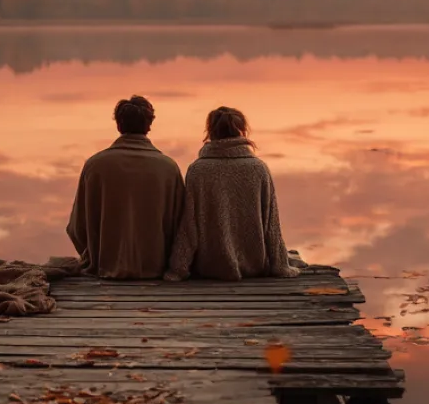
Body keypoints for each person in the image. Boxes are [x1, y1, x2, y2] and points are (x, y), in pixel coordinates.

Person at [164, 106, 299, 281]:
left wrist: (178, 269)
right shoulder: (258, 169)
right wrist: (280, 265)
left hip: (210, 266)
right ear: (241, 131)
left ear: (210, 131)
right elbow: (271, 225)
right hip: (254, 265)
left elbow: (189, 225)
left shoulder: (198, 170)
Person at [66, 95, 185, 279]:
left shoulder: (95, 165)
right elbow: (181, 228)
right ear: (149, 125)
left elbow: (77, 228)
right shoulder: (168, 168)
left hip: (103, 267)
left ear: (119, 125)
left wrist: (99, 256)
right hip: (155, 270)